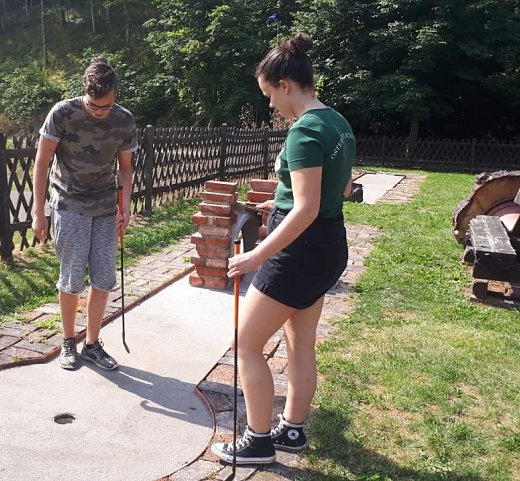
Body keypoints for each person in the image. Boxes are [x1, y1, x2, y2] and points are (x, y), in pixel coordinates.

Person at [212, 33, 355, 465]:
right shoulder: (337, 122)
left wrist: (255, 256)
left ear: (285, 85)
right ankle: (292, 430)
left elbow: (306, 209)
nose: (271, 105)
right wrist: (281, 201)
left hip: (298, 254)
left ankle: (257, 442)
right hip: (328, 247)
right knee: (300, 343)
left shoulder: (304, 131)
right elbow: (340, 189)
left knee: (246, 344)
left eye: (269, 95)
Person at [31, 58, 138, 371]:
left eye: (106, 106)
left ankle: (92, 344)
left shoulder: (124, 120)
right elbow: (41, 163)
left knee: (103, 279)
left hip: (105, 206)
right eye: (93, 105)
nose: (99, 111)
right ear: (84, 93)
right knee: (72, 277)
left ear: (115, 95)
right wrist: (39, 212)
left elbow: (125, 171)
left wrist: (125, 207)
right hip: (69, 203)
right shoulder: (63, 113)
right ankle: (68, 341)